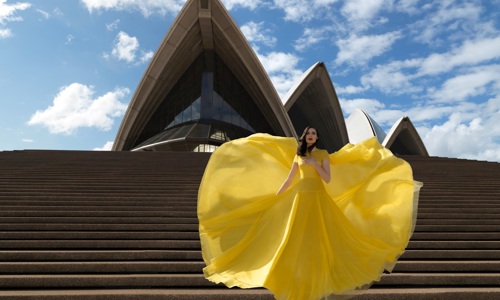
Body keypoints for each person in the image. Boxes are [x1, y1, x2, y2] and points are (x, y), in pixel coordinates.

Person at [198, 126, 422, 300]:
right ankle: (294, 276)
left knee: (319, 237)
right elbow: (289, 179)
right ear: (304, 137)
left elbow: (327, 178)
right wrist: (275, 196)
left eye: (315, 133)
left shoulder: (323, 154)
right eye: (309, 133)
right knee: (295, 238)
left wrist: (315, 163)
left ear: (316, 137)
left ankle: (317, 280)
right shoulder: (297, 155)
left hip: (318, 198)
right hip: (299, 197)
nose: (312, 136)